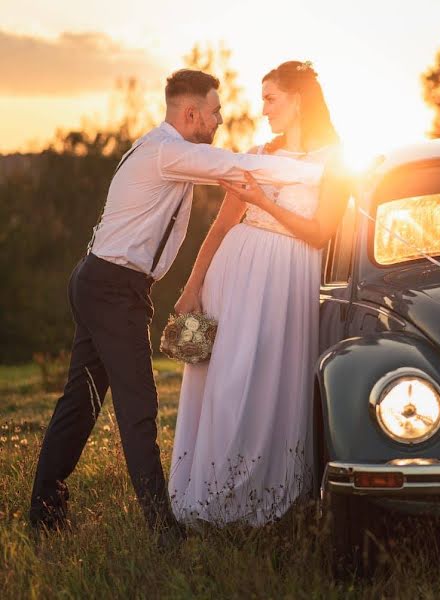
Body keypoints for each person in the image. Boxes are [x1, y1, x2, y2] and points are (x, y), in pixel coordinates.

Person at [29, 69, 324, 548]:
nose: (221, 118)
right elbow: (235, 168)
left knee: (80, 401)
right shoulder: (170, 152)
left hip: (102, 281)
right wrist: (315, 172)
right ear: (191, 114)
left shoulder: (162, 149)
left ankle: (44, 510)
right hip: (112, 289)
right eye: (215, 111)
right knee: (139, 408)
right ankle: (164, 531)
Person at [167, 60, 350, 526]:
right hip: (236, 269)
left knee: (270, 376)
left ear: (299, 100)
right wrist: (193, 285)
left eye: (271, 98)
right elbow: (224, 221)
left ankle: (266, 492)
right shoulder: (256, 151)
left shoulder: (335, 159)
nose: (263, 109)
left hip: (288, 275)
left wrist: (263, 200)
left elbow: (319, 232)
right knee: (226, 379)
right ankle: (211, 490)